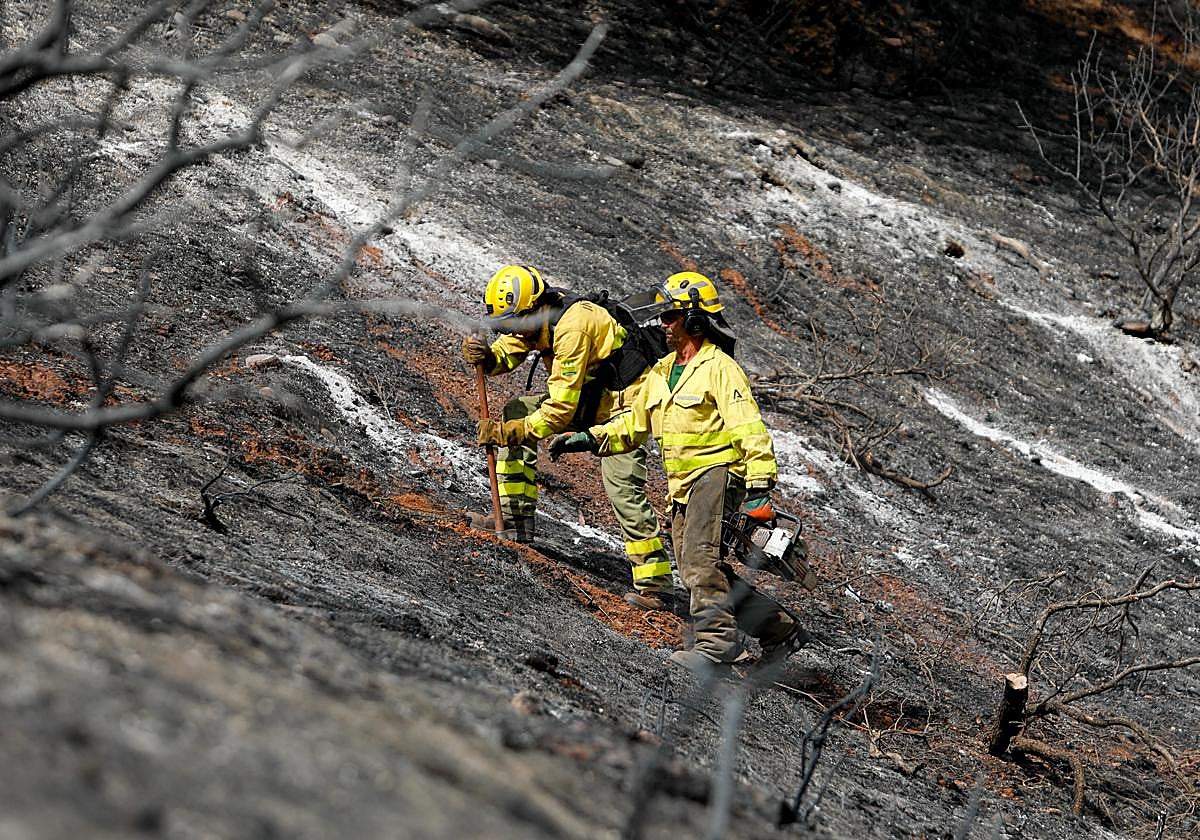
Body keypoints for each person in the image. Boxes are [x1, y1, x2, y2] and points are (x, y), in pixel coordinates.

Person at [550, 271, 804, 672]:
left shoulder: (719, 369)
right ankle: (778, 629)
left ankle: (716, 644)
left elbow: (748, 426)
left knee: (700, 561)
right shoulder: (662, 371)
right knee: (695, 568)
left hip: (718, 473)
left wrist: (758, 486)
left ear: (695, 321)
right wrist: (587, 438)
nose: (662, 324)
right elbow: (632, 424)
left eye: (670, 316)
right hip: (683, 484)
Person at [464, 264, 675, 609]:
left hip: (624, 407)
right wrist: (489, 358)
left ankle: (656, 585)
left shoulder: (573, 326)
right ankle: (516, 519)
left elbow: (560, 410)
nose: (512, 333)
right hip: (588, 398)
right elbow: (509, 352)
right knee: (518, 408)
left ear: (535, 308)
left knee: (622, 485)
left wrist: (510, 434)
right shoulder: (533, 320)